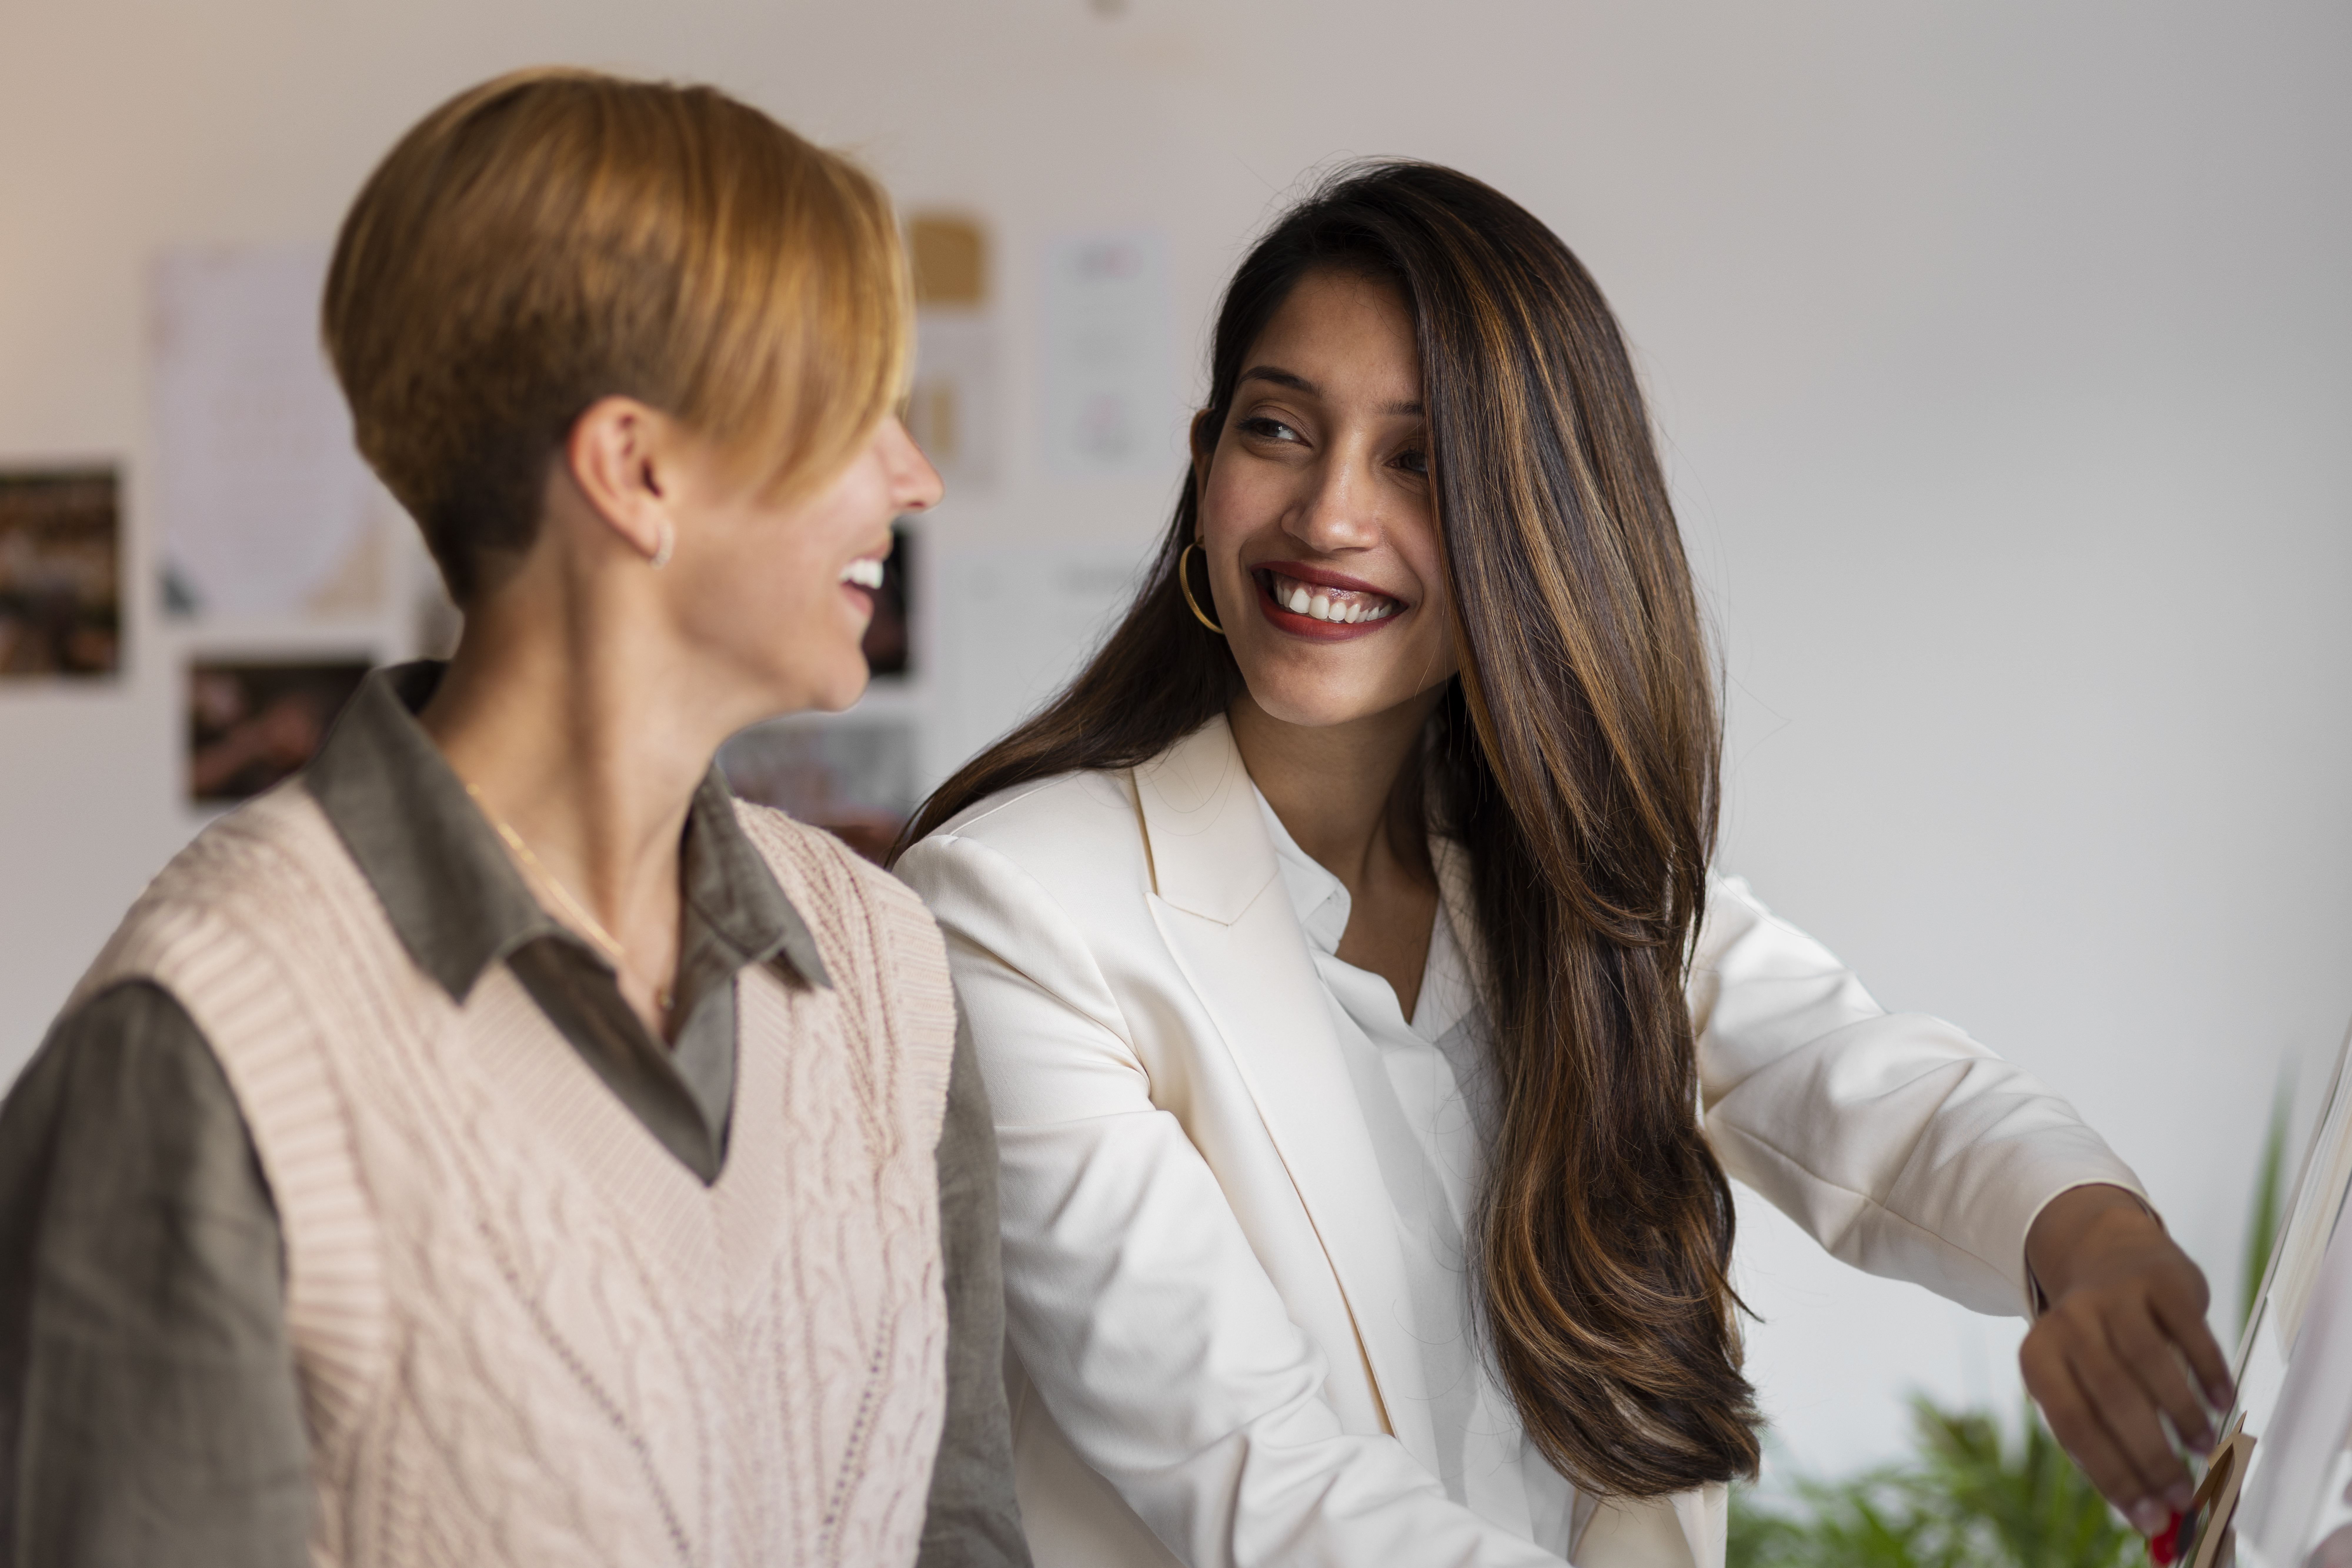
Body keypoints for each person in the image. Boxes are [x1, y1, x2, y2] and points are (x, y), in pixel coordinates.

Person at [892, 161, 2226, 1567]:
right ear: (1203, 459)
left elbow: (1876, 1094)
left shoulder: (1557, 890)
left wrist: (2093, 1244)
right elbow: (1252, 1471)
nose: (1328, 513)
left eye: (1417, 459)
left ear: (1534, 517)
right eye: (1276, 429)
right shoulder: (1015, 905)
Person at [0, 69, 1029, 1568]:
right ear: (634, 469)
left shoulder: (888, 973)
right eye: (856, 406)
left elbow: (962, 1531)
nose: (914, 477)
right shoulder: (203, 1040)